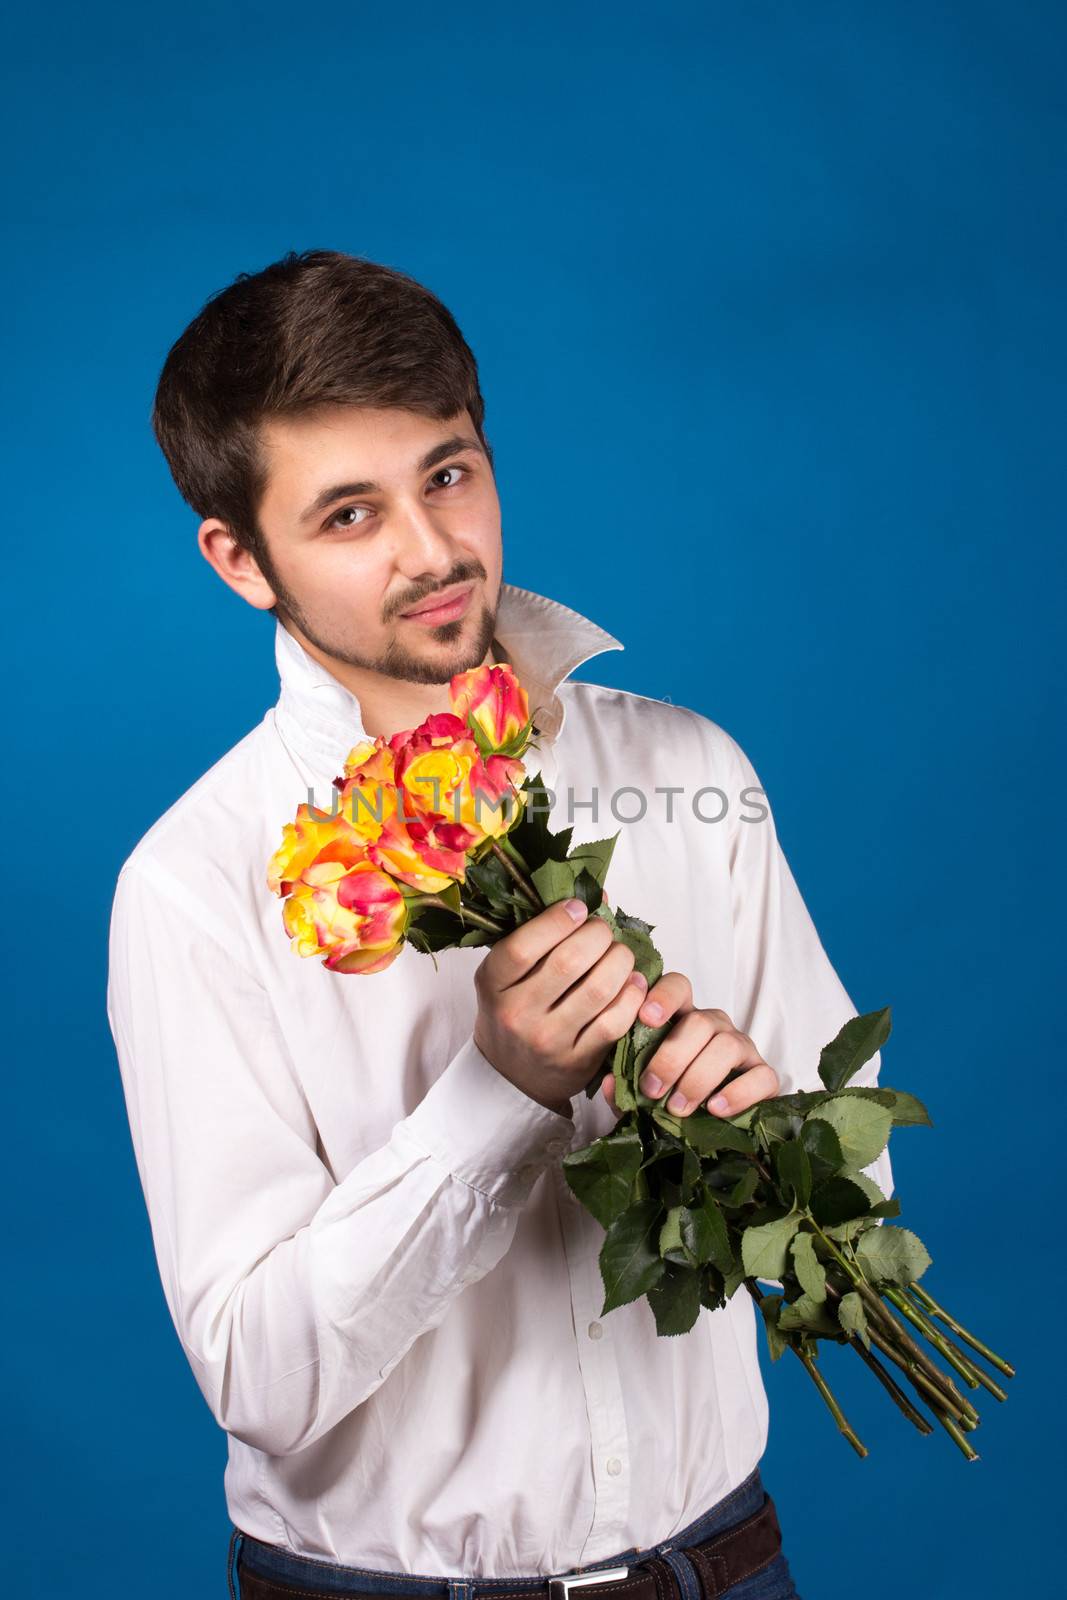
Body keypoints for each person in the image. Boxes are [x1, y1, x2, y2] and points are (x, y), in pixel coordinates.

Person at [106, 250, 891, 1600]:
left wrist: (770, 1145)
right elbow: (260, 1379)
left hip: (720, 1566)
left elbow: (859, 1205)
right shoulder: (195, 880)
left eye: (449, 474)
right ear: (242, 561)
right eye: (349, 515)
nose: (432, 553)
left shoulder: (688, 772)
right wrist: (498, 1095)